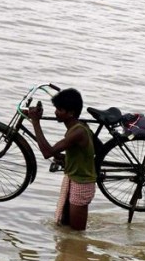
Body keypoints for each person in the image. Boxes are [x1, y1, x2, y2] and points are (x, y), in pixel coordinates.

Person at [27, 88, 96, 231]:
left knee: (77, 233)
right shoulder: (76, 127)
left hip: (81, 184)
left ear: (71, 113)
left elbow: (47, 152)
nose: (56, 112)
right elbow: (78, 153)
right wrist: (63, 158)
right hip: (73, 178)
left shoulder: (77, 132)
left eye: (60, 109)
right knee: (64, 228)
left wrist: (35, 122)